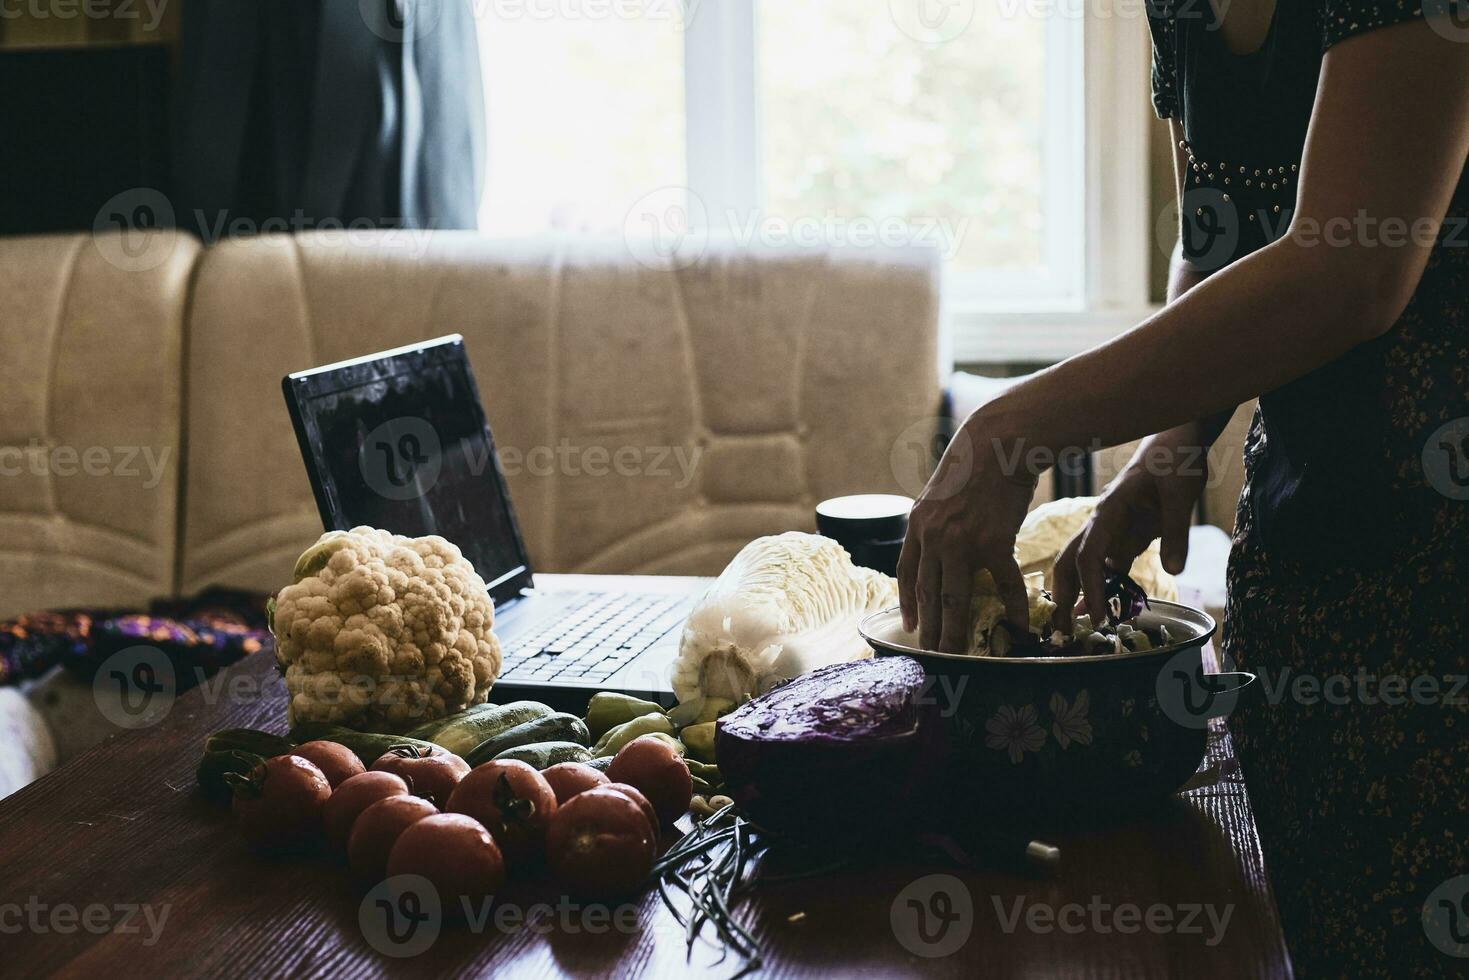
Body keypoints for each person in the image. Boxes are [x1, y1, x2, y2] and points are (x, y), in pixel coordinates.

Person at [897, 3, 1468, 976]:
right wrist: (1172, 438)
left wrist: (1010, 424)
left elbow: (1349, 266)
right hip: (1302, 563)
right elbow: (1214, 240)